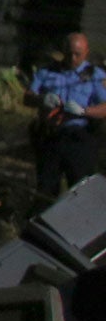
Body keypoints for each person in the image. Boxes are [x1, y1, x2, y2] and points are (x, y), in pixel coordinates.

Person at [25, 32, 106, 200]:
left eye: (78, 54)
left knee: (80, 190)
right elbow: (27, 97)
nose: (73, 58)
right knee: (46, 189)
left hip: (79, 138)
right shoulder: (47, 72)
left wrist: (85, 111)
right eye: (69, 53)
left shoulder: (95, 76)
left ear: (86, 53)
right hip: (50, 136)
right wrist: (42, 99)